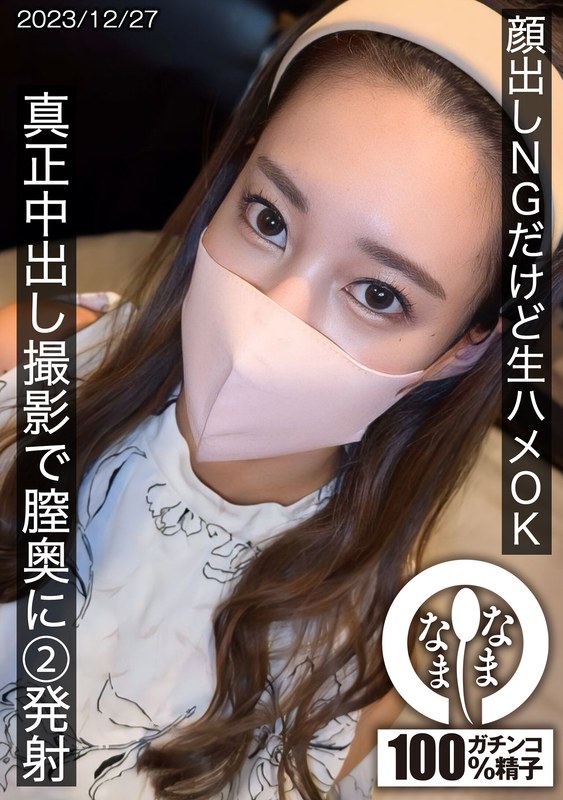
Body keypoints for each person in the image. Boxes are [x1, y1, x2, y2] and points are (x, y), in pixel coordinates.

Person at [0, 0, 562, 798]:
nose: (273, 311)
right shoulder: (33, 355)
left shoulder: (358, 666)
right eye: (267, 218)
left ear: (462, 346)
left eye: (377, 293)